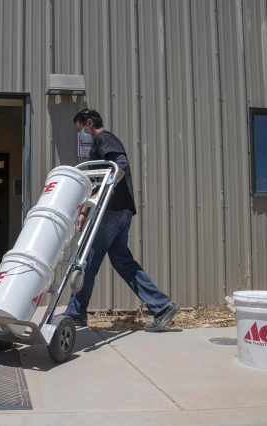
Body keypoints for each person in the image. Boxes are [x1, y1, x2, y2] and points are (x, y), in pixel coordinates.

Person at [64, 108, 180, 332]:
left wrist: (101, 195)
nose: (81, 135)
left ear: (89, 123)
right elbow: (98, 182)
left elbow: (121, 164)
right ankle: (162, 306)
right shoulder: (101, 143)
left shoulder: (104, 139)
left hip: (110, 211)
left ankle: (75, 313)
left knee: (85, 261)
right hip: (121, 211)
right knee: (122, 261)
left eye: (81, 130)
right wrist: (84, 211)